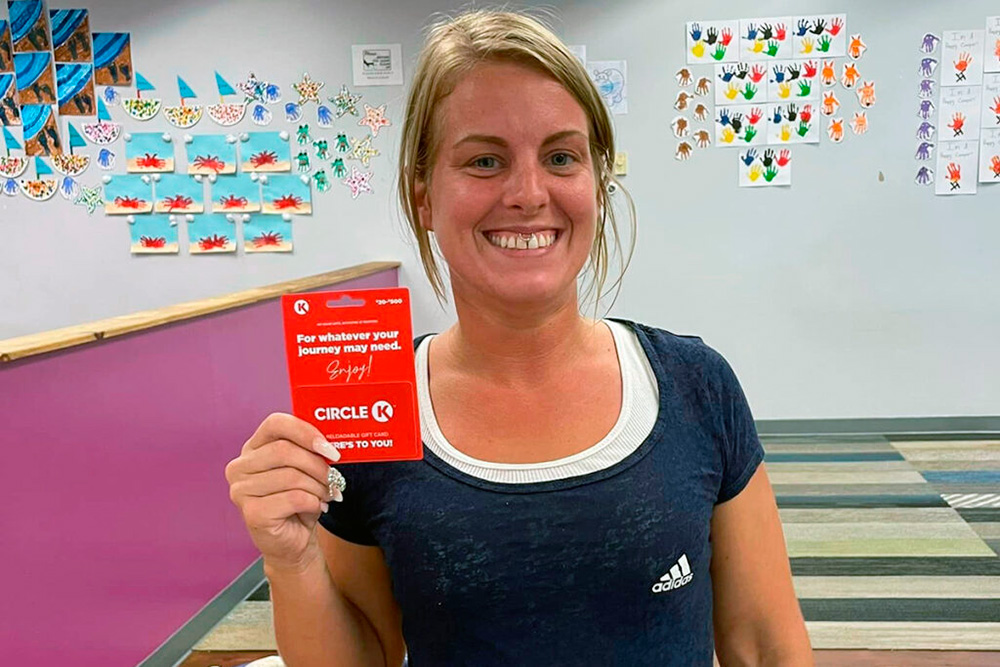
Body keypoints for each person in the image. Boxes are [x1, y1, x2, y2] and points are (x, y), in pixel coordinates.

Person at [225, 10, 813, 666]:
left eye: (561, 156)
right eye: (484, 160)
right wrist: (292, 559)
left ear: (596, 180)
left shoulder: (695, 385)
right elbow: (361, 657)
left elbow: (764, 646)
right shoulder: (375, 403)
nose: (529, 193)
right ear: (424, 194)